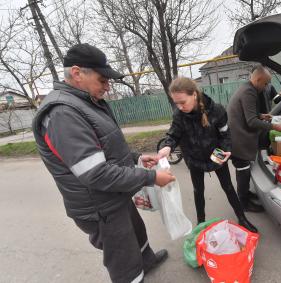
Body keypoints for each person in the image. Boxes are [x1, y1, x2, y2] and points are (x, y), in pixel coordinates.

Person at [32, 43, 175, 283]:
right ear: (77, 74)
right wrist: (151, 178)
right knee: (123, 258)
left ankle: (146, 260)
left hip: (113, 195)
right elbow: (96, 173)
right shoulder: (62, 114)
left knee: (136, 233)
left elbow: (105, 148)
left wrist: (136, 158)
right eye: (102, 80)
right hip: (99, 206)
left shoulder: (85, 102)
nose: (107, 87)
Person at [157, 76, 258, 233]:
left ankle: (242, 218)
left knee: (229, 187)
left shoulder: (217, 110)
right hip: (194, 159)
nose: (179, 107)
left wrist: (226, 149)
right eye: (176, 103)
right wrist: (167, 147)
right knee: (198, 191)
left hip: (216, 155)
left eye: (182, 102)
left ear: (194, 95)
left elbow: (225, 134)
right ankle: (200, 224)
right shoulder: (179, 115)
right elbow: (173, 134)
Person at [227, 65, 281, 212]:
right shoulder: (249, 92)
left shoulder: (247, 88)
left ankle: (245, 194)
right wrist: (274, 126)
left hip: (237, 137)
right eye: (265, 83)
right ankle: (244, 203)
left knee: (244, 170)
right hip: (238, 140)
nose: (266, 87)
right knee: (243, 170)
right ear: (259, 80)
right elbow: (251, 122)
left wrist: (262, 116)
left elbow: (249, 114)